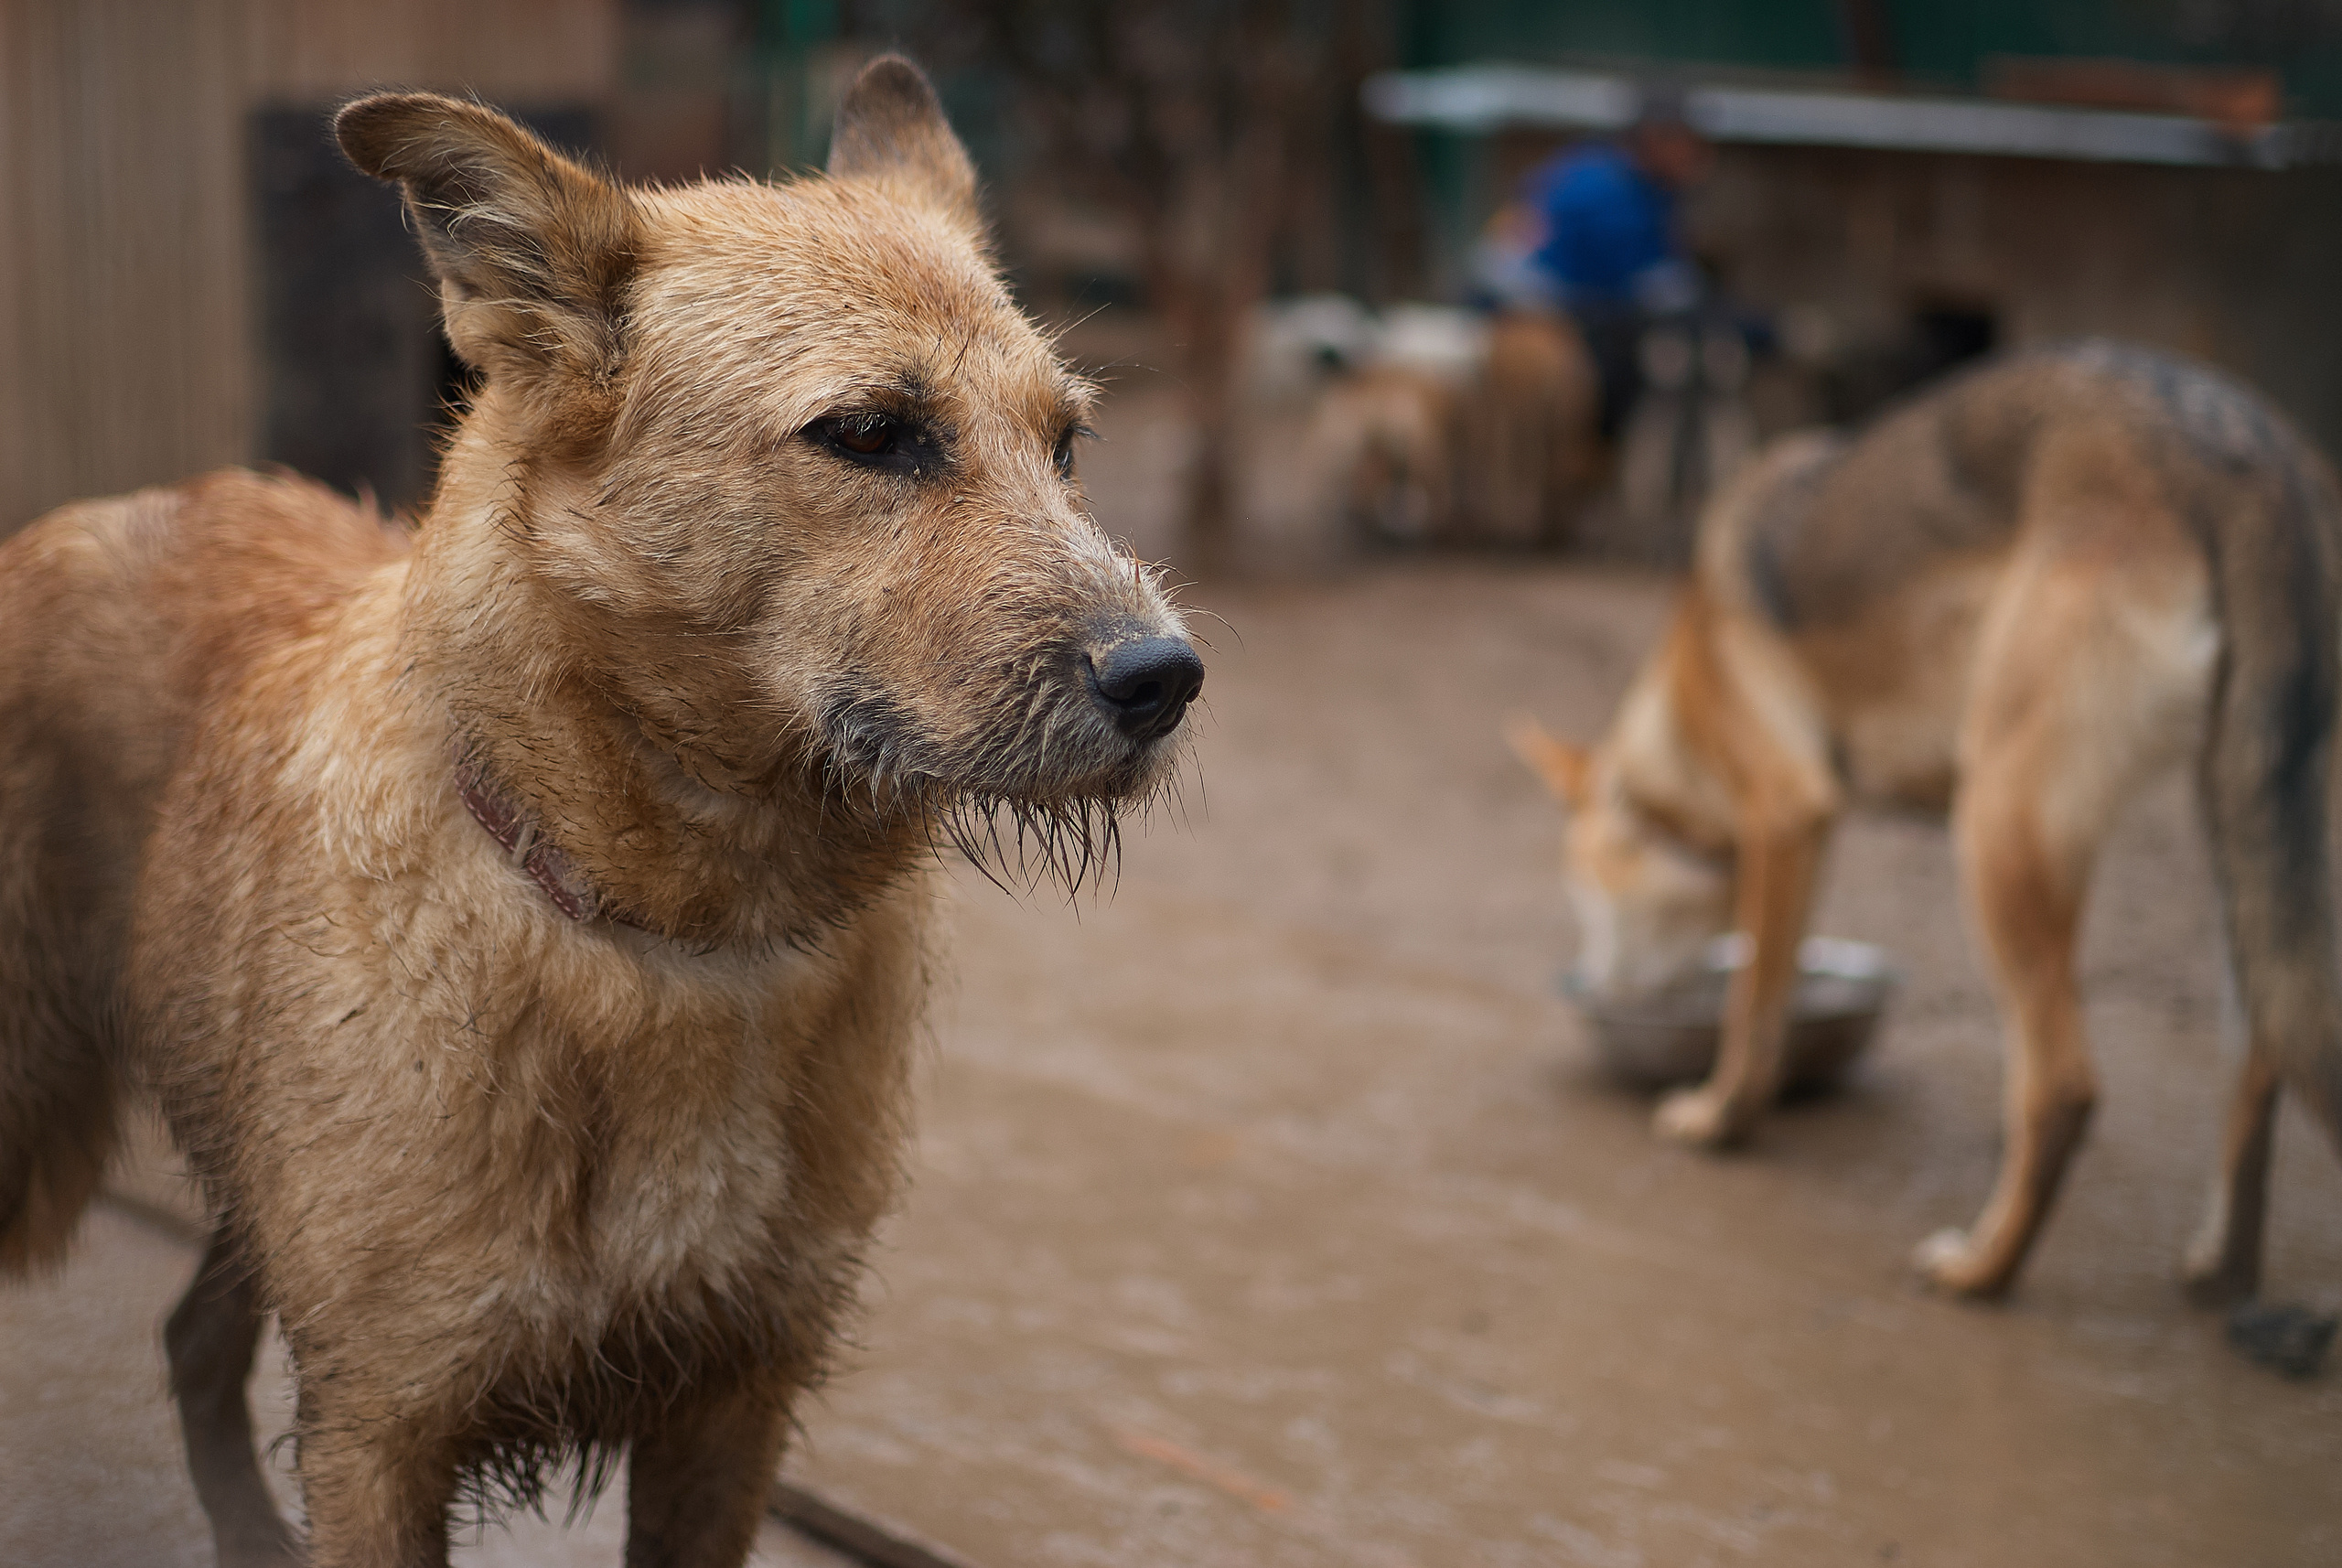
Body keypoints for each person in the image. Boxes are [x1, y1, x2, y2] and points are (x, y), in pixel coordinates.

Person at [1504, 87, 1714, 440]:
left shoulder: (1612, 170)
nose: (1695, 156)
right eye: (1685, 143)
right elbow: (1630, 278)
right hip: (1546, 298)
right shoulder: (1613, 188)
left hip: (1557, 291)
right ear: (1653, 139)